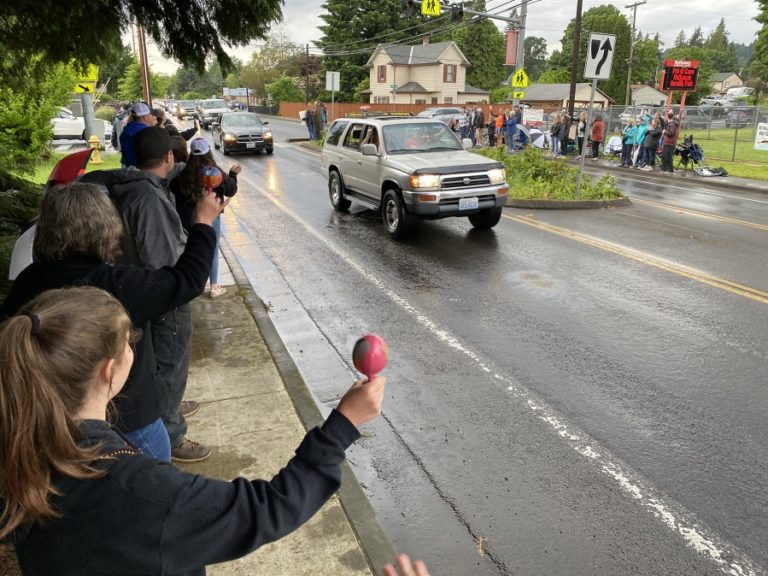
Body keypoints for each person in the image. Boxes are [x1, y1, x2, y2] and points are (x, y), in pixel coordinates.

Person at [0, 286, 386, 575]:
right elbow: (266, 509)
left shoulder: (22, 448)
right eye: (129, 342)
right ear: (109, 370)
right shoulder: (142, 493)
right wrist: (342, 425)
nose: (134, 347)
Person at [0, 183, 224, 462]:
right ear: (105, 227)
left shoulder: (30, 279)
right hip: (131, 425)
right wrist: (203, 222)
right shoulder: (116, 286)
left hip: (52, 422)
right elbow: (188, 280)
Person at [171, 138, 240, 299]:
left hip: (187, 218)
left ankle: (197, 283)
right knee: (212, 249)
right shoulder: (214, 172)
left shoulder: (183, 175)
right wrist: (233, 174)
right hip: (211, 217)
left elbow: (173, 192)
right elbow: (230, 189)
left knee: (191, 248)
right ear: (208, 151)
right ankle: (214, 286)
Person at [119, 102, 157, 168]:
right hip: (144, 172)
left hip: (130, 171)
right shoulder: (146, 133)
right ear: (145, 117)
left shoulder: (125, 132)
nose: (153, 117)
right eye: (151, 114)